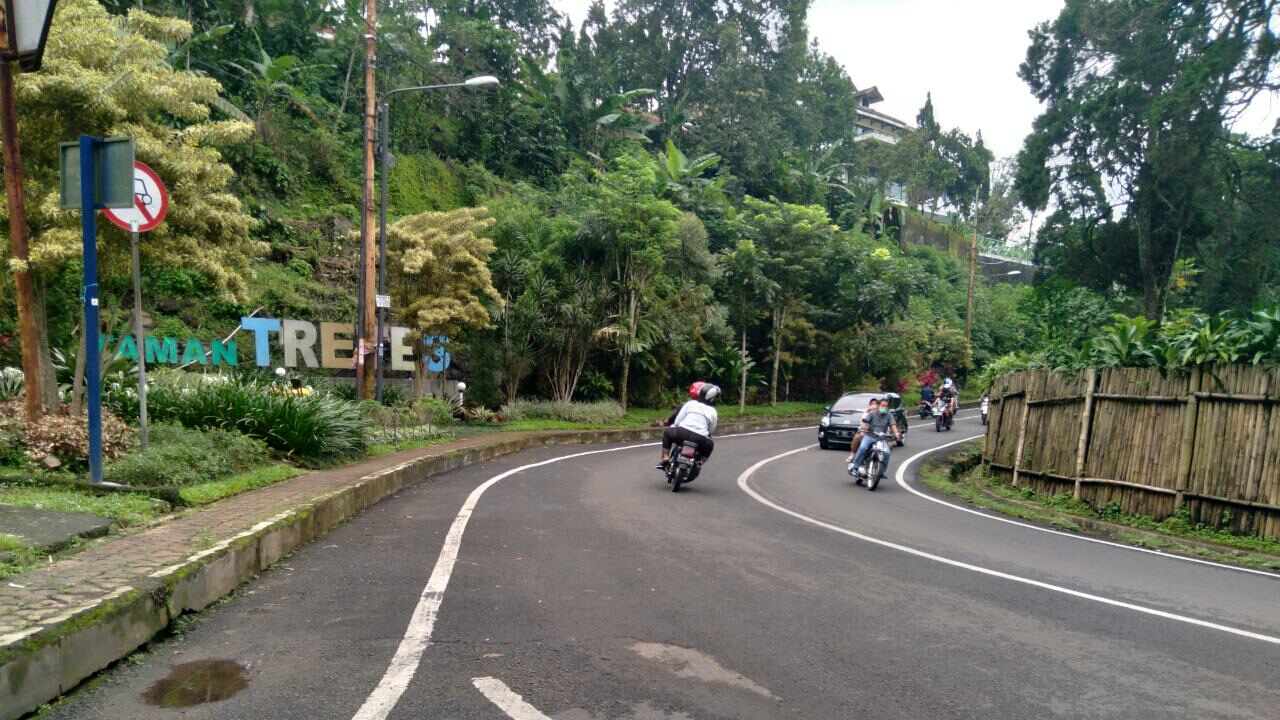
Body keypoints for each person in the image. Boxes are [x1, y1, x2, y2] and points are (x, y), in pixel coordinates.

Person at [658, 381, 720, 469]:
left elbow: (678, 419)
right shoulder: (713, 411)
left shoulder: (690, 403)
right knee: (710, 445)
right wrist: (708, 434)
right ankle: (700, 463)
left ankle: (665, 457)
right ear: (712, 398)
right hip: (700, 439)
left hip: (682, 434)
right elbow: (711, 429)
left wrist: (674, 427)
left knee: (667, 432)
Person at [848, 397, 902, 479]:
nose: (884, 407)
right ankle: (855, 468)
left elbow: (893, 425)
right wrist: (864, 427)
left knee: (887, 452)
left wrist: (897, 434)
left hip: (881, 438)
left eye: (886, 406)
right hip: (869, 436)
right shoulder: (871, 413)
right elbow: (864, 422)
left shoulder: (889, 415)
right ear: (878, 405)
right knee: (863, 448)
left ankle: (882, 471)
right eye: (883, 405)